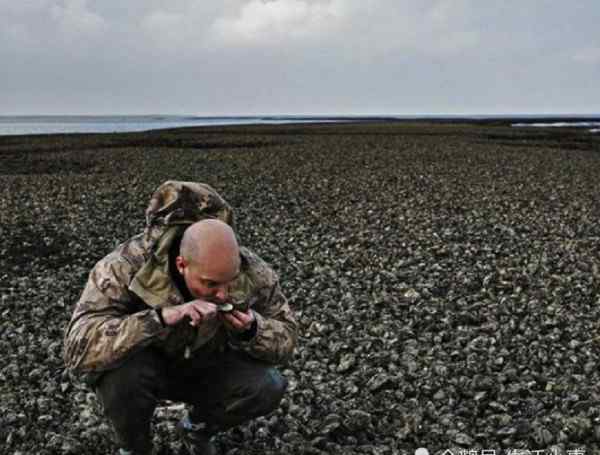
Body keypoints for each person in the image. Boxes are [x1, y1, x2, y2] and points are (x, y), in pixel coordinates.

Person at [63, 181, 297, 455]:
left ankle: (196, 428)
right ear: (181, 265)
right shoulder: (123, 266)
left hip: (208, 365)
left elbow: (288, 337)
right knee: (120, 380)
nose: (222, 294)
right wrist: (158, 319)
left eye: (229, 282)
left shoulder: (252, 269)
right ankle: (134, 448)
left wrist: (253, 331)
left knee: (269, 385)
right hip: (146, 368)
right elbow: (77, 349)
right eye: (211, 284)